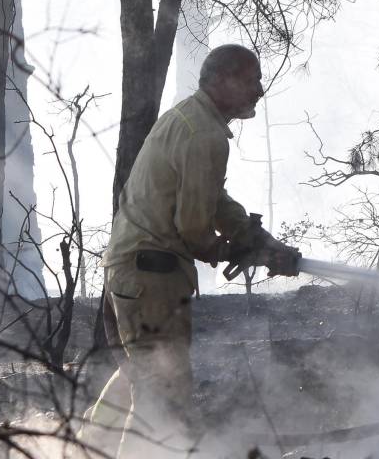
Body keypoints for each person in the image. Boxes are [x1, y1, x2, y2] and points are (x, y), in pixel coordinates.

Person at [82, 45, 301, 457]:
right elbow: (195, 227)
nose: (259, 90)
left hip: (128, 271)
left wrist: (261, 242)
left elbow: (212, 199)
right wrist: (231, 249)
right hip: (152, 281)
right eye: (250, 79)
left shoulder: (188, 118)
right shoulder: (206, 135)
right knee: (162, 398)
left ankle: (82, 449)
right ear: (220, 80)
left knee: (138, 372)